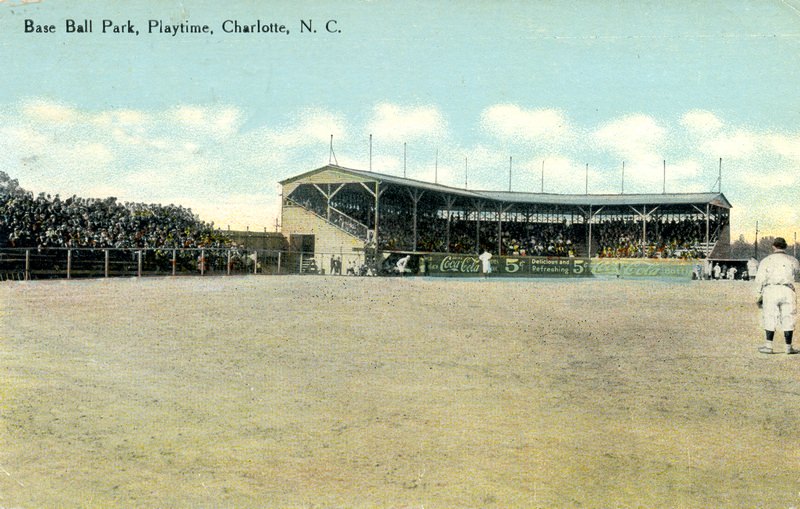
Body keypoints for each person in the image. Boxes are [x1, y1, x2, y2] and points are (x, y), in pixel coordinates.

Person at [755, 237, 800, 354]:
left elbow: (759, 279)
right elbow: (797, 274)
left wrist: (759, 294)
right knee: (789, 317)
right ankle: (788, 347)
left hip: (771, 289)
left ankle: (769, 346)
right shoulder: (793, 260)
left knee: (770, 316)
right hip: (787, 289)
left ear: (773, 246)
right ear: (785, 246)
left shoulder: (766, 260)